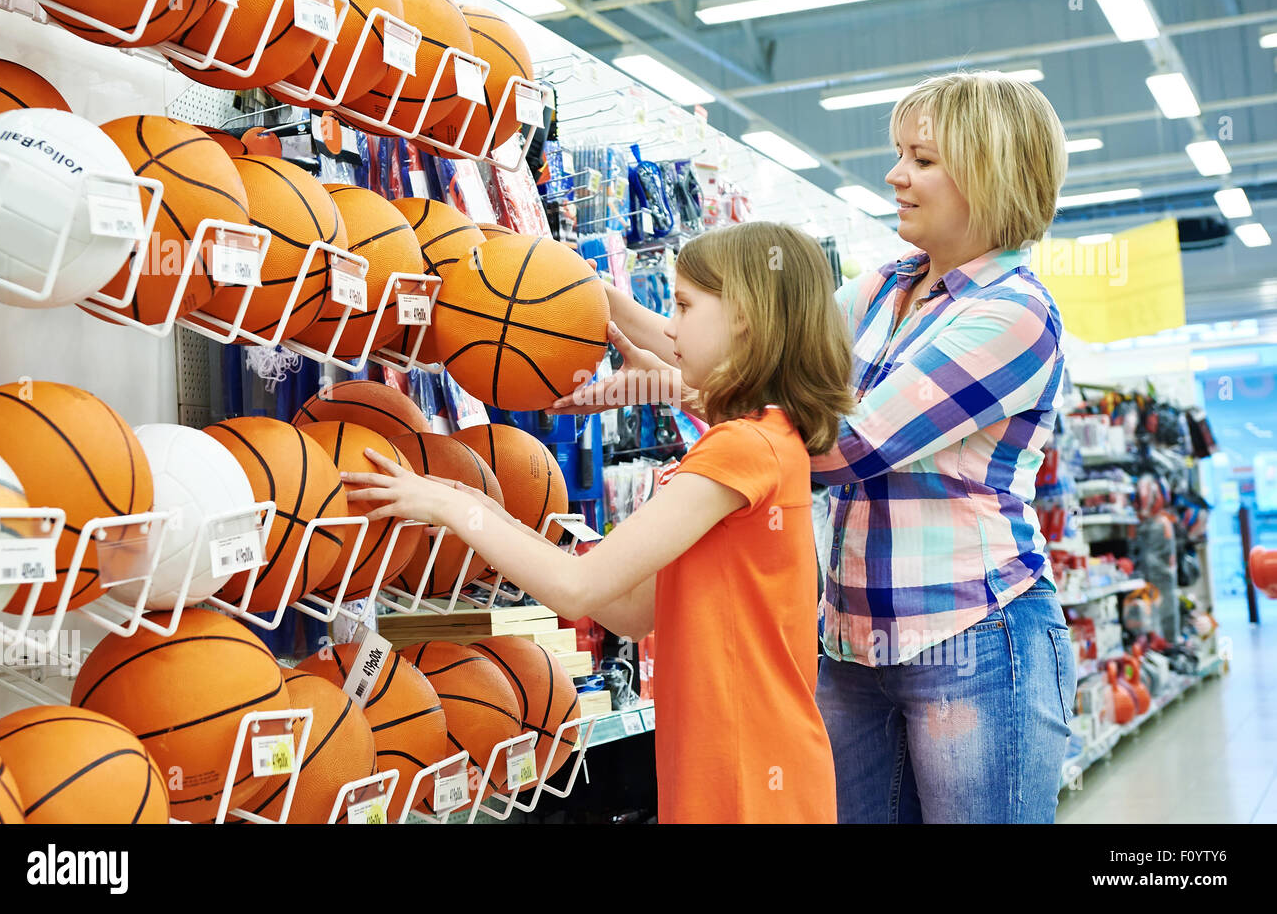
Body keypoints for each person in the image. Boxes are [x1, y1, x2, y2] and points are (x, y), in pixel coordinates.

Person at [557, 71, 1078, 824]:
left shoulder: (1014, 314)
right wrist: (589, 299)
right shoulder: (879, 291)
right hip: (850, 645)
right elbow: (747, 361)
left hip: (975, 639)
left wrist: (670, 386)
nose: (895, 175)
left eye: (922, 160)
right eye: (900, 154)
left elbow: (842, 446)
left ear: (990, 170)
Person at [343, 222, 853, 824]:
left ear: (744, 317)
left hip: (747, 774)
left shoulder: (740, 450)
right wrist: (494, 517)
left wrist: (457, 507)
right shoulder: (768, 438)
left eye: (685, 306)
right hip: (731, 762)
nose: (668, 326)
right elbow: (630, 609)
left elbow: (576, 589)